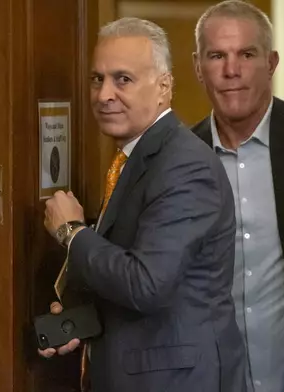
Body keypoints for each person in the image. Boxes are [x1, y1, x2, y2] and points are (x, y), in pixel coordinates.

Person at [39, 17, 245, 392]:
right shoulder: (135, 156)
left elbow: (147, 284)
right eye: (97, 79)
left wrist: (72, 233)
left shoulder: (184, 165)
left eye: (123, 80)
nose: (104, 95)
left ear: (164, 87)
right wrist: (81, 318)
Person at [191, 1, 284, 391]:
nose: (232, 70)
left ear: (271, 62)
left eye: (246, 54)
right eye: (217, 56)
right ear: (198, 66)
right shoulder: (176, 157)